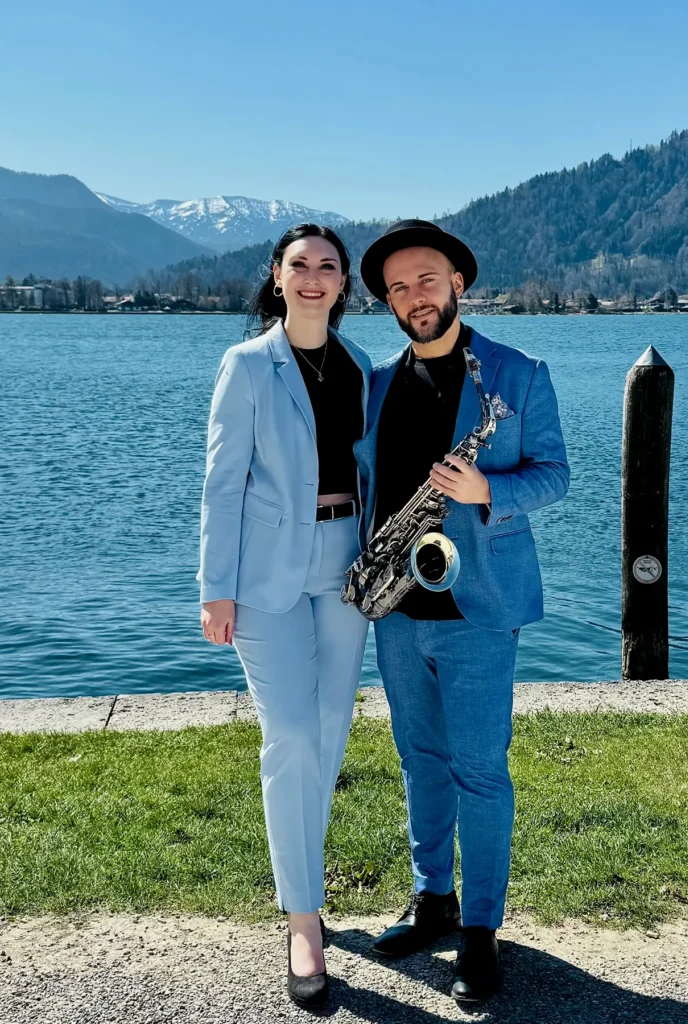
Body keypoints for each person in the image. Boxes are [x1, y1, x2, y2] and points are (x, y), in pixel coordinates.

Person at [354, 219, 570, 1004]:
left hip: (480, 610)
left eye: (429, 278)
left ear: (458, 286)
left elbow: (555, 476)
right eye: (400, 286)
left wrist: (488, 493)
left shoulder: (517, 374)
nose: (416, 295)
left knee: (480, 769)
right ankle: (432, 899)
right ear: (389, 302)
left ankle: (480, 927)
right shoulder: (377, 381)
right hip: (399, 610)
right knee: (420, 760)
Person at [197, 223, 371, 1011]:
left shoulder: (362, 365)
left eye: (327, 267)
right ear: (276, 277)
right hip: (265, 576)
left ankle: (305, 880)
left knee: (330, 733)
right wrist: (215, 588)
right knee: (291, 734)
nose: (313, 278)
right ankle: (305, 920)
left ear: (342, 284)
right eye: (298, 265)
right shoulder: (245, 364)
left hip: (347, 565)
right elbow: (221, 483)